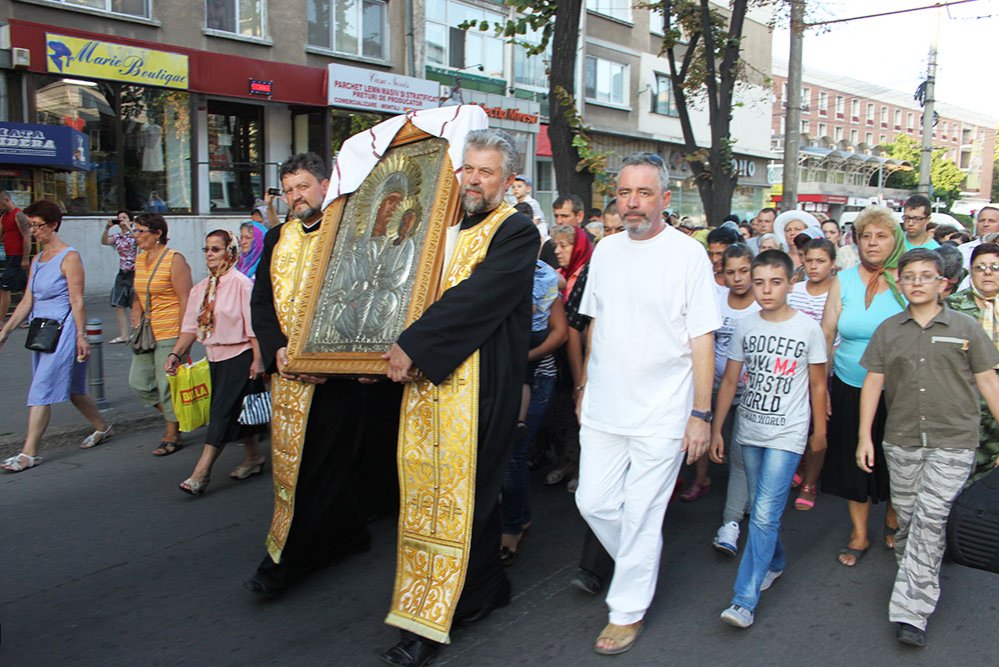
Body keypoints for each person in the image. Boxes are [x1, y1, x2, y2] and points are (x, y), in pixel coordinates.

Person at [378, 129, 538, 666]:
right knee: (441, 498)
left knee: (456, 503)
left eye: (485, 171)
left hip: (480, 390)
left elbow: (477, 299)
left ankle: (429, 621)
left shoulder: (516, 231)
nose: (472, 179)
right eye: (467, 169)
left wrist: (412, 343)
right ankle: (486, 589)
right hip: (428, 388)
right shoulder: (441, 228)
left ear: (508, 180)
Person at [573, 152, 719, 655]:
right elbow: (595, 324)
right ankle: (641, 563)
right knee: (592, 501)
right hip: (604, 407)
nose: (632, 203)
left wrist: (700, 414)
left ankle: (627, 610)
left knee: (640, 514)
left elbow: (703, 339)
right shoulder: (607, 251)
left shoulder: (688, 255)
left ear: (664, 198)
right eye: (625, 193)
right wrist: (585, 385)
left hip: (663, 411)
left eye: (644, 193)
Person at [246, 152, 403, 600]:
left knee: (319, 468)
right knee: (295, 469)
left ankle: (285, 562)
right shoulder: (278, 237)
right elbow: (261, 303)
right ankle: (345, 535)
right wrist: (275, 346)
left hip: (338, 378)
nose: (296, 197)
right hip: (289, 376)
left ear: (325, 184)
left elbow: (373, 293)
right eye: (289, 189)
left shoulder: (352, 231)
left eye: (303, 188)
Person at [858, 248, 999, 647]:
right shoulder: (888, 329)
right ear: (899, 284)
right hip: (901, 441)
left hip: (953, 440)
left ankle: (911, 611)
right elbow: (873, 383)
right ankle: (917, 575)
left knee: (930, 519)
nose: (917, 282)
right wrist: (864, 436)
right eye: (910, 276)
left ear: (943, 284)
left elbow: (989, 382)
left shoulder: (966, 327)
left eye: (926, 276)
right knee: (907, 521)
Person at [711, 249, 827, 628]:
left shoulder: (807, 328)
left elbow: (817, 384)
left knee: (762, 513)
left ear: (791, 283)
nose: (765, 290)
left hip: (787, 433)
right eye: (759, 282)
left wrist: (819, 433)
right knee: (765, 509)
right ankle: (774, 561)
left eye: (775, 282)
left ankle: (743, 600)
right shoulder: (746, 326)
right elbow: (730, 380)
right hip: (749, 430)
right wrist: (717, 428)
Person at [820, 206, 906, 567]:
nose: (872, 242)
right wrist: (822, 385)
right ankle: (859, 532)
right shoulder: (845, 280)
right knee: (852, 459)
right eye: (865, 235)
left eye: (881, 235)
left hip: (898, 392)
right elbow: (826, 333)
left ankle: (892, 517)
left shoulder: (908, 280)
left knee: (894, 460)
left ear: (894, 239)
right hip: (849, 385)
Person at [0, 200, 112, 472]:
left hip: (65, 330)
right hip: (44, 332)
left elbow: (77, 301)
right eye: (30, 226)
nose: (33, 231)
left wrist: (82, 336)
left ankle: (29, 453)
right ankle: (103, 427)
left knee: (41, 389)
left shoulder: (69, 257)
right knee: (74, 389)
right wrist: (5, 331)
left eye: (37, 226)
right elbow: (27, 301)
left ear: (52, 225)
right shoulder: (38, 260)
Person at [165, 229, 266, 495]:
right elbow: (189, 327)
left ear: (230, 252)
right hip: (214, 357)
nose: (210, 254)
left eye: (216, 249)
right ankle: (254, 456)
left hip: (240, 356)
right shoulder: (202, 289)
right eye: (207, 249)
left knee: (220, 413)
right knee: (237, 412)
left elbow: (253, 327)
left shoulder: (242, 285)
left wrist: (258, 360)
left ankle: (201, 473)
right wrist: (176, 354)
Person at [501, 259, 567, 564]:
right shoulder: (493, 277)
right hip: (500, 376)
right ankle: (512, 516)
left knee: (514, 450)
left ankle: (514, 525)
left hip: (537, 374)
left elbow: (560, 333)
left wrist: (524, 357)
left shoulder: (543, 283)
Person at [710, 244, 761, 556]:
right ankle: (745, 510)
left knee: (741, 455)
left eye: (744, 271)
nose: (738, 278)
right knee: (729, 450)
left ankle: (733, 521)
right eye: (731, 272)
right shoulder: (716, 303)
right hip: (719, 386)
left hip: (752, 393)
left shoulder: (762, 304)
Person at [129, 213, 193, 457]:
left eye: (140, 231)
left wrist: (183, 339)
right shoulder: (141, 258)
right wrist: (136, 311)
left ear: (157, 234)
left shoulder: (174, 259)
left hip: (169, 331)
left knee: (166, 385)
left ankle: (172, 432)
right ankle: (178, 415)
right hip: (146, 332)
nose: (136, 236)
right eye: (134, 231)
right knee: (139, 383)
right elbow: (138, 291)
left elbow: (186, 299)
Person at [787, 238, 837, 510]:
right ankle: (796, 466)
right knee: (796, 423)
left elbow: (835, 336)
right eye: (809, 261)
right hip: (793, 370)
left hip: (823, 369)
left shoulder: (837, 292)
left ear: (832, 264)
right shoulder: (794, 291)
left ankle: (810, 482)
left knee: (819, 426)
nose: (814, 266)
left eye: (821, 261)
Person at [946, 242, 999, 483]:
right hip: (960, 411)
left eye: (995, 267)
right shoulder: (950, 308)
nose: (988, 272)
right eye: (981, 267)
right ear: (971, 271)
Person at [101, 210, 137, 343]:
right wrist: (107, 228)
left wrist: (129, 227)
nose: (121, 220)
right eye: (119, 218)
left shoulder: (135, 233)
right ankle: (124, 334)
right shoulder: (117, 237)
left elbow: (140, 241)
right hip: (122, 272)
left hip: (135, 272)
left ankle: (136, 332)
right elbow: (105, 241)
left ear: (131, 220)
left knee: (135, 304)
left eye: (124, 217)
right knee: (118, 304)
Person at [0, 190, 31, 326]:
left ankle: (0, 320)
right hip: (9, 256)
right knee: (26, 288)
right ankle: (30, 317)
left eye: (0, 204)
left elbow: (27, 237)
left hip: (17, 257)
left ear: (7, 200)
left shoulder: (19, 215)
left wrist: (25, 258)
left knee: (4, 288)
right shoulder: (3, 217)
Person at [551, 224, 593, 301]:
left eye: (563, 246)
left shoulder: (589, 276)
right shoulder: (555, 275)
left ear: (578, 248)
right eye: (555, 246)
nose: (556, 251)